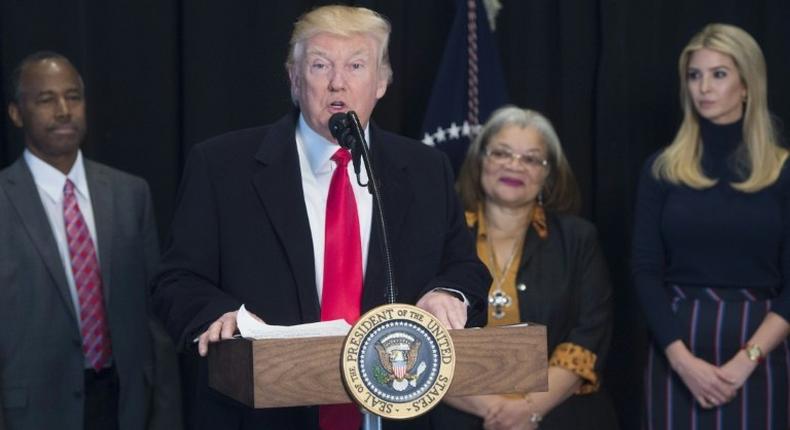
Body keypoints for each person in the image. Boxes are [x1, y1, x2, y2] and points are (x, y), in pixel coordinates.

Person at [151, 5, 490, 430]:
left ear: (381, 81)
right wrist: (217, 315)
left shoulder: (425, 169)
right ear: (294, 79)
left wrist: (448, 293)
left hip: (395, 413)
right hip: (262, 416)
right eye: (319, 65)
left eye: (356, 65)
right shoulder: (222, 166)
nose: (337, 83)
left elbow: (465, 268)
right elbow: (175, 281)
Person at [0, 52, 182, 430]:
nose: (64, 110)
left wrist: (165, 413)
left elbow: (155, 320)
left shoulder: (130, 194)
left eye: (73, 97)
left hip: (126, 404)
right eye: (46, 99)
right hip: (32, 411)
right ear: (17, 113)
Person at [632, 23, 790, 429]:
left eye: (718, 74)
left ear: (747, 84)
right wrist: (681, 360)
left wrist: (746, 361)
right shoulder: (661, 169)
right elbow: (645, 271)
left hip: (760, 344)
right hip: (677, 341)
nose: (704, 87)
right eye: (694, 75)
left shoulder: (783, 171)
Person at [438, 105, 618, 429]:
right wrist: (492, 408)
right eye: (502, 153)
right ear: (480, 160)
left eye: (531, 159)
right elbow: (416, 335)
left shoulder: (578, 239)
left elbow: (588, 336)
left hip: (555, 415)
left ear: (548, 174)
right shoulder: (441, 237)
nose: (514, 166)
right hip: (458, 416)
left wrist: (530, 409)